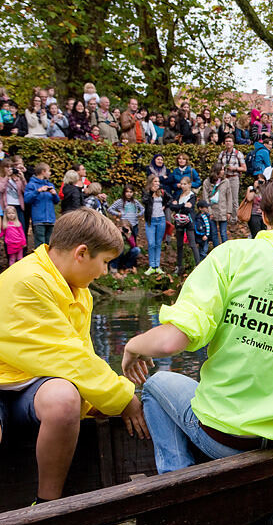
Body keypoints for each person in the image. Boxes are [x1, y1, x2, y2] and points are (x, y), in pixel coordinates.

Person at [120, 174, 273, 510]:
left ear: (264, 216)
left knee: (156, 384)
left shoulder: (234, 256)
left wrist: (133, 345)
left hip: (227, 441)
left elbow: (171, 342)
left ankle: (177, 485)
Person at [0, 208, 148, 503]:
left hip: (29, 383)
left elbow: (81, 351)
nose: (104, 272)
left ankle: (48, 505)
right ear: (81, 253)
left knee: (66, 400)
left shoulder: (80, 290)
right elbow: (67, 356)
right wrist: (122, 398)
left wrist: (93, 402)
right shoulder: (29, 281)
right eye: (104, 262)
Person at [168, 177, 201, 274]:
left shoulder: (192, 196)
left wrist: (178, 206)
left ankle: (198, 264)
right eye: (181, 184)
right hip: (179, 222)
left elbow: (188, 209)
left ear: (189, 184)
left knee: (192, 243)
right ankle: (179, 266)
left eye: (185, 184)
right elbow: (172, 206)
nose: (182, 186)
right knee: (179, 244)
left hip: (188, 222)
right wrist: (182, 206)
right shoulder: (179, 195)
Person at [24, 163, 59, 246]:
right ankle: (40, 259)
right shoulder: (31, 185)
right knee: (40, 244)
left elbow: (56, 201)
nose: (50, 173)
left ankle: (47, 259)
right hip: (39, 219)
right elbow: (27, 199)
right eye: (49, 171)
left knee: (50, 243)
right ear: (43, 172)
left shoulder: (50, 185)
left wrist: (54, 194)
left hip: (50, 219)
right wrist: (38, 191)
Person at [217, 135, 247, 222]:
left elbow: (244, 168)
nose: (228, 143)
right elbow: (218, 167)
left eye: (230, 141)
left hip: (234, 178)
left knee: (234, 199)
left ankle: (234, 219)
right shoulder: (222, 154)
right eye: (226, 141)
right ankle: (223, 218)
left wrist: (234, 168)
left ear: (233, 143)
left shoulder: (238, 153)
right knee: (223, 199)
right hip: (224, 179)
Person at [142, 174, 167, 274]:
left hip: (161, 219)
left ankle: (157, 266)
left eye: (158, 182)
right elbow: (145, 201)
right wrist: (152, 192)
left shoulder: (162, 192)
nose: (157, 183)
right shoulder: (146, 192)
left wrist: (165, 206)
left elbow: (169, 199)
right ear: (151, 182)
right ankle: (151, 265)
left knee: (158, 243)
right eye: (155, 181)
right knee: (151, 243)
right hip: (150, 221)